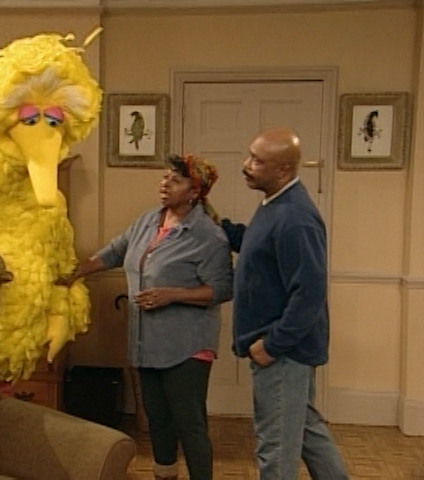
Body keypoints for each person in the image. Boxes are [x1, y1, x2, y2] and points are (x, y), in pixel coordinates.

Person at [59, 154, 233, 480]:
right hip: (147, 343)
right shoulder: (149, 221)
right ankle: (164, 475)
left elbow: (222, 289)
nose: (165, 184)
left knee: (188, 422)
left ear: (194, 192)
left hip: (187, 347)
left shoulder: (208, 235)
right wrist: (77, 271)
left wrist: (173, 294)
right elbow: (116, 251)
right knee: (158, 419)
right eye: (165, 177)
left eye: (176, 180)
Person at [227, 127, 348, 479]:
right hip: (283, 349)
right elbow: (259, 245)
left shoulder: (295, 217)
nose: (246, 164)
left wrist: (273, 344)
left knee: (276, 449)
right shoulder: (275, 204)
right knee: (307, 430)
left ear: (283, 170)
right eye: (249, 155)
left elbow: (309, 293)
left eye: (257, 161)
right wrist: (221, 227)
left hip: (283, 352)